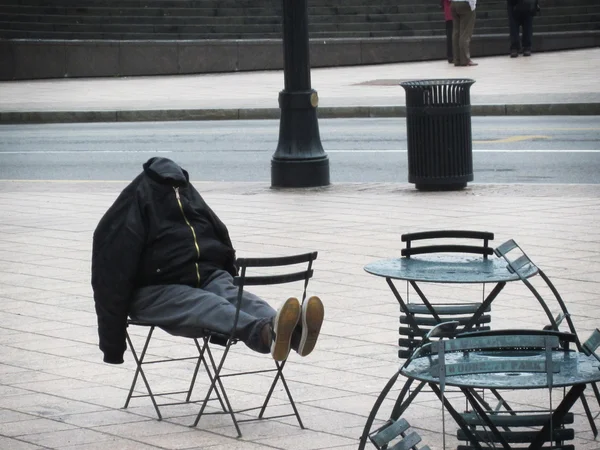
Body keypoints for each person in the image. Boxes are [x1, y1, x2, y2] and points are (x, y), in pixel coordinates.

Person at [91, 157, 324, 364]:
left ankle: (291, 333)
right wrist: (113, 347)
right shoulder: (133, 205)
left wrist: (224, 274)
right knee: (209, 303)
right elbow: (108, 278)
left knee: (235, 295)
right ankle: (265, 333)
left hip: (204, 276)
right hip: (153, 291)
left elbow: (220, 236)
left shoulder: (187, 195)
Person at [451, 0, 478, 66]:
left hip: (453, 4)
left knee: (456, 32)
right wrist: (472, 5)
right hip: (465, 4)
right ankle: (465, 59)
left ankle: (457, 59)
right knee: (465, 33)